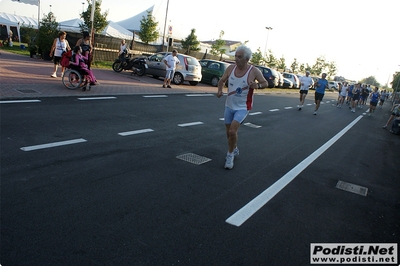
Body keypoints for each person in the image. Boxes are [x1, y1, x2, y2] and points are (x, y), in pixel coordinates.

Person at [216, 45, 268, 169]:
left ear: (247, 59)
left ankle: (230, 155)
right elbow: (221, 80)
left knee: (233, 131)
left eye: (239, 57)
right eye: (235, 56)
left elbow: (265, 83)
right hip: (229, 105)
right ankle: (234, 148)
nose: (236, 59)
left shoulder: (253, 71)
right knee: (229, 133)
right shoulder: (230, 68)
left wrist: (257, 86)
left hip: (243, 107)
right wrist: (219, 90)